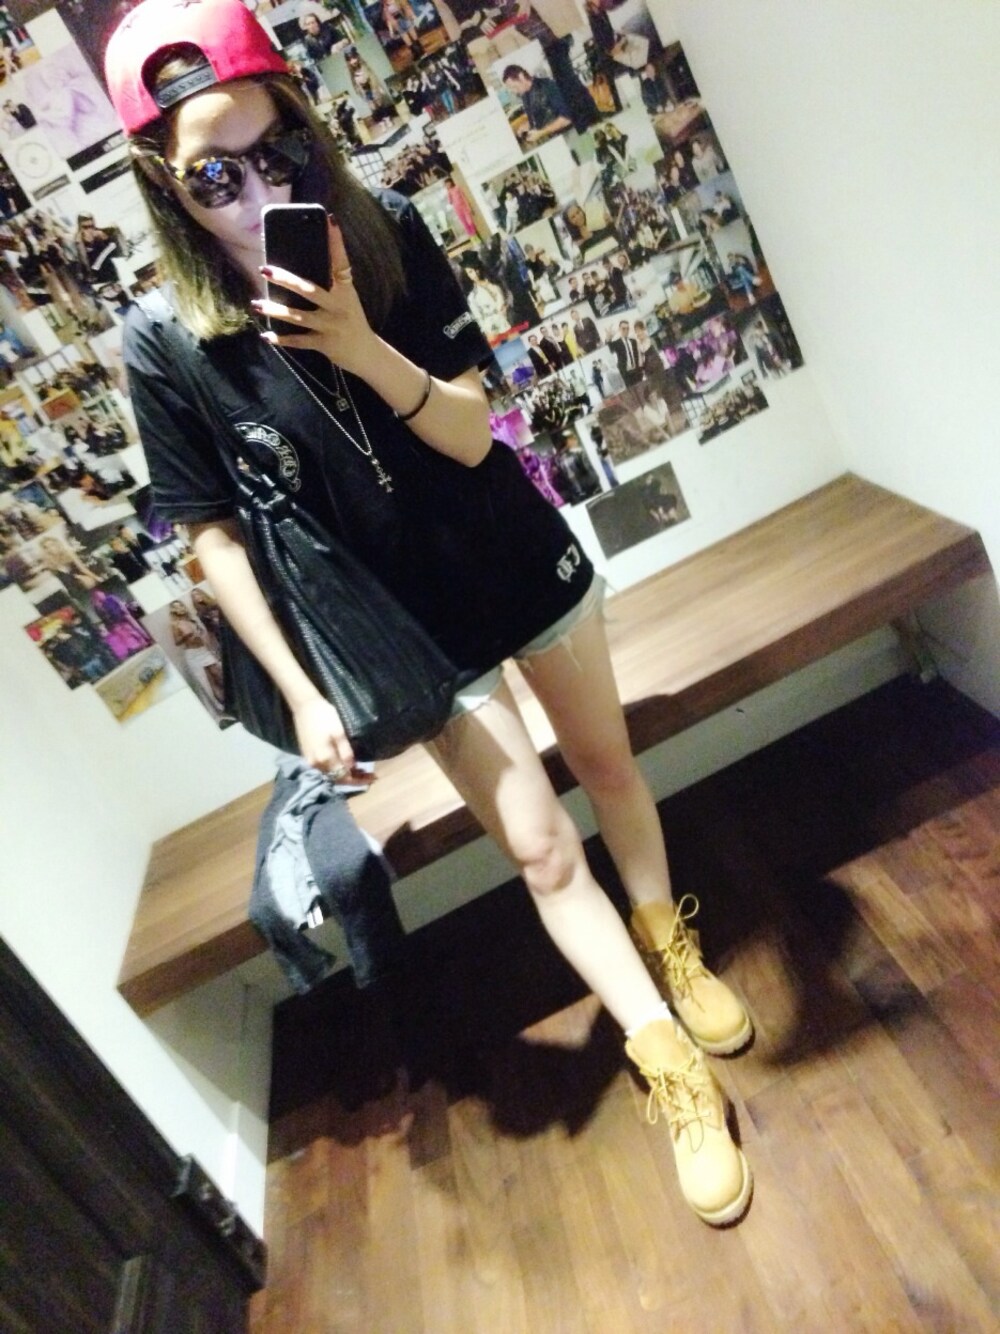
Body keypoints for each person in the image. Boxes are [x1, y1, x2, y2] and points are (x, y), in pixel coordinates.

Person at [105, 0, 754, 1226]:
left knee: (608, 764)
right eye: (213, 176)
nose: (256, 192)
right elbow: (212, 537)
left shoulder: (386, 231)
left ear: (304, 130)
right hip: (402, 626)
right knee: (540, 849)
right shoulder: (163, 342)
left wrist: (355, 340)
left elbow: (469, 433)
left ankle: (668, 940)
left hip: (504, 548)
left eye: (275, 153)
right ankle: (663, 1050)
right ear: (163, 181)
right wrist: (301, 693)